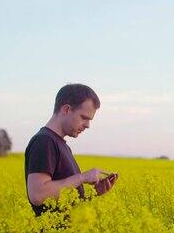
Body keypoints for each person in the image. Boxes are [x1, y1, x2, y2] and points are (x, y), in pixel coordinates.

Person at [24, 84, 118, 217]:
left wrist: (92, 194)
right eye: (84, 118)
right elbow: (38, 195)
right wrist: (82, 177)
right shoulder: (44, 141)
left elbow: (62, 203)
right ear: (67, 109)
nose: (87, 125)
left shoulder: (60, 144)